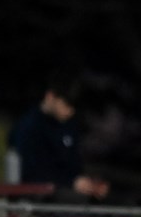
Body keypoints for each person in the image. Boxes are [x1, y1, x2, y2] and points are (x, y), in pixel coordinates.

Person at [7, 72, 109, 203]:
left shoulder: (68, 126)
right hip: (40, 192)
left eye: (73, 107)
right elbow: (31, 171)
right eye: (67, 104)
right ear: (50, 97)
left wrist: (90, 183)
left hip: (65, 189)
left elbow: (74, 165)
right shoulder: (28, 127)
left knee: (110, 199)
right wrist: (71, 182)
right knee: (77, 201)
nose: (70, 111)